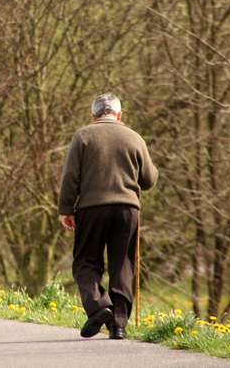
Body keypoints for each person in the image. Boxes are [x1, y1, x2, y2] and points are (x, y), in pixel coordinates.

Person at [58, 93, 158, 340]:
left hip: (90, 209)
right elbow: (149, 180)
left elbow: (70, 176)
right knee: (122, 265)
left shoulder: (83, 136)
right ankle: (118, 326)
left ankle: (98, 306)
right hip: (127, 209)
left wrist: (66, 208)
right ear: (119, 115)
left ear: (93, 116)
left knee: (85, 262)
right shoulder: (134, 138)